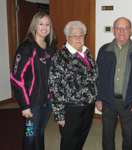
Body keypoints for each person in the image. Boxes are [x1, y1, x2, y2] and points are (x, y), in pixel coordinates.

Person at [96, 17, 132, 150]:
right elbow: (96, 77)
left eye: (125, 27)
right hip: (107, 101)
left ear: (131, 30)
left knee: (128, 136)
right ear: (113, 30)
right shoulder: (104, 50)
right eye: (118, 28)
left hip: (130, 103)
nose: (122, 31)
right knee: (107, 135)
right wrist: (97, 98)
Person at [10, 12, 57, 150]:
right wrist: (25, 106)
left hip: (47, 100)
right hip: (32, 103)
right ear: (34, 26)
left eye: (47, 24)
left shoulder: (50, 47)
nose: (44, 27)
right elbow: (16, 79)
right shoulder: (26, 49)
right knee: (30, 134)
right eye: (41, 23)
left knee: (40, 132)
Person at [48, 21, 98, 150]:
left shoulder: (87, 52)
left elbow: (93, 78)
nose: (78, 38)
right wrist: (59, 114)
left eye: (80, 35)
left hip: (88, 105)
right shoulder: (60, 57)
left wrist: (95, 97)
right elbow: (55, 87)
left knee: (81, 137)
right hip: (71, 108)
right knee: (70, 141)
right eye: (74, 35)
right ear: (67, 38)